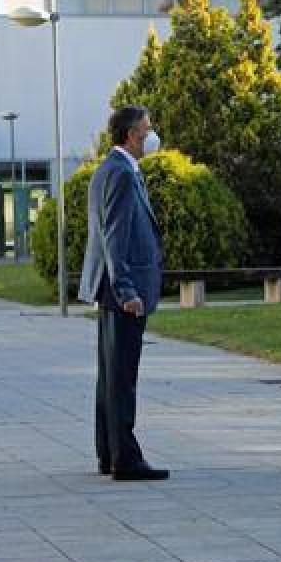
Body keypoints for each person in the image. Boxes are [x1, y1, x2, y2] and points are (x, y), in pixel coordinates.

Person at [79, 105, 168, 481]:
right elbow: (115, 237)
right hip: (123, 292)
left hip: (113, 288)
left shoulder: (114, 170)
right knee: (122, 377)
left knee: (111, 376)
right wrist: (127, 289)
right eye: (148, 130)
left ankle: (110, 453)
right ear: (132, 135)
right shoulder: (119, 174)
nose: (152, 136)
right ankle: (125, 458)